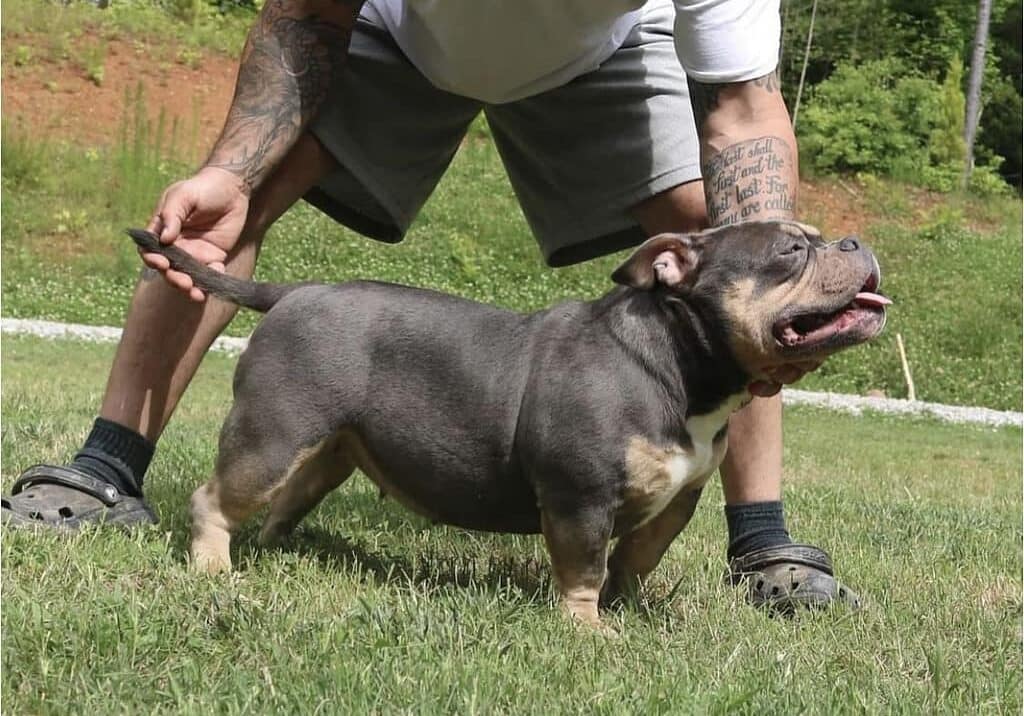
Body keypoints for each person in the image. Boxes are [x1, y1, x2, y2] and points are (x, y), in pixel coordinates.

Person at [2, 0, 858, 611]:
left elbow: (743, 111)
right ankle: (104, 467)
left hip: (612, 49)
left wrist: (773, 302)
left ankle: (761, 540)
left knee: (714, 242)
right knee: (227, 208)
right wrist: (233, 170)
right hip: (399, 30)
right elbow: (306, 18)